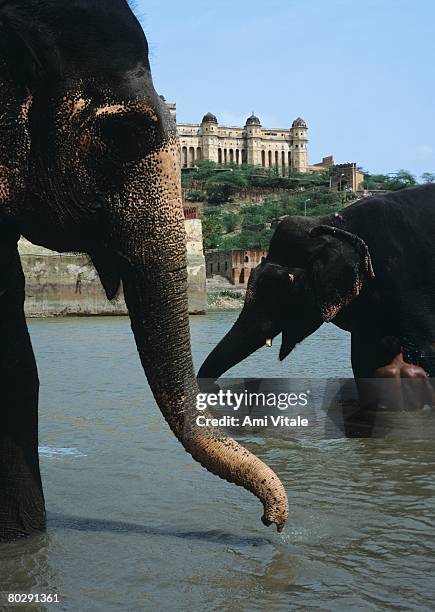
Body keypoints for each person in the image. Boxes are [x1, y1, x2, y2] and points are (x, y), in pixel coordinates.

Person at [373, 337, 435, 411]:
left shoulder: (381, 373)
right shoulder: (418, 371)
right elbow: (432, 401)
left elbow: (373, 402)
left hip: (393, 417)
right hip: (416, 416)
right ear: (402, 350)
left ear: (383, 352)